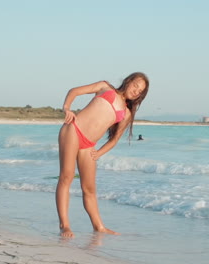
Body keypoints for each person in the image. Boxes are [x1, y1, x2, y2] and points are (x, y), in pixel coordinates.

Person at [56, 72, 149, 238]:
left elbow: (113, 141)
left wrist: (98, 153)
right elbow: (74, 91)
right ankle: (65, 226)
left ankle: (99, 226)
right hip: (73, 130)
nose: (136, 91)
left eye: (140, 91)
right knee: (66, 177)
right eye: (135, 85)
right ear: (128, 81)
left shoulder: (127, 114)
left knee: (90, 189)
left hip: (89, 146)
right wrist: (67, 108)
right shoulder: (105, 87)